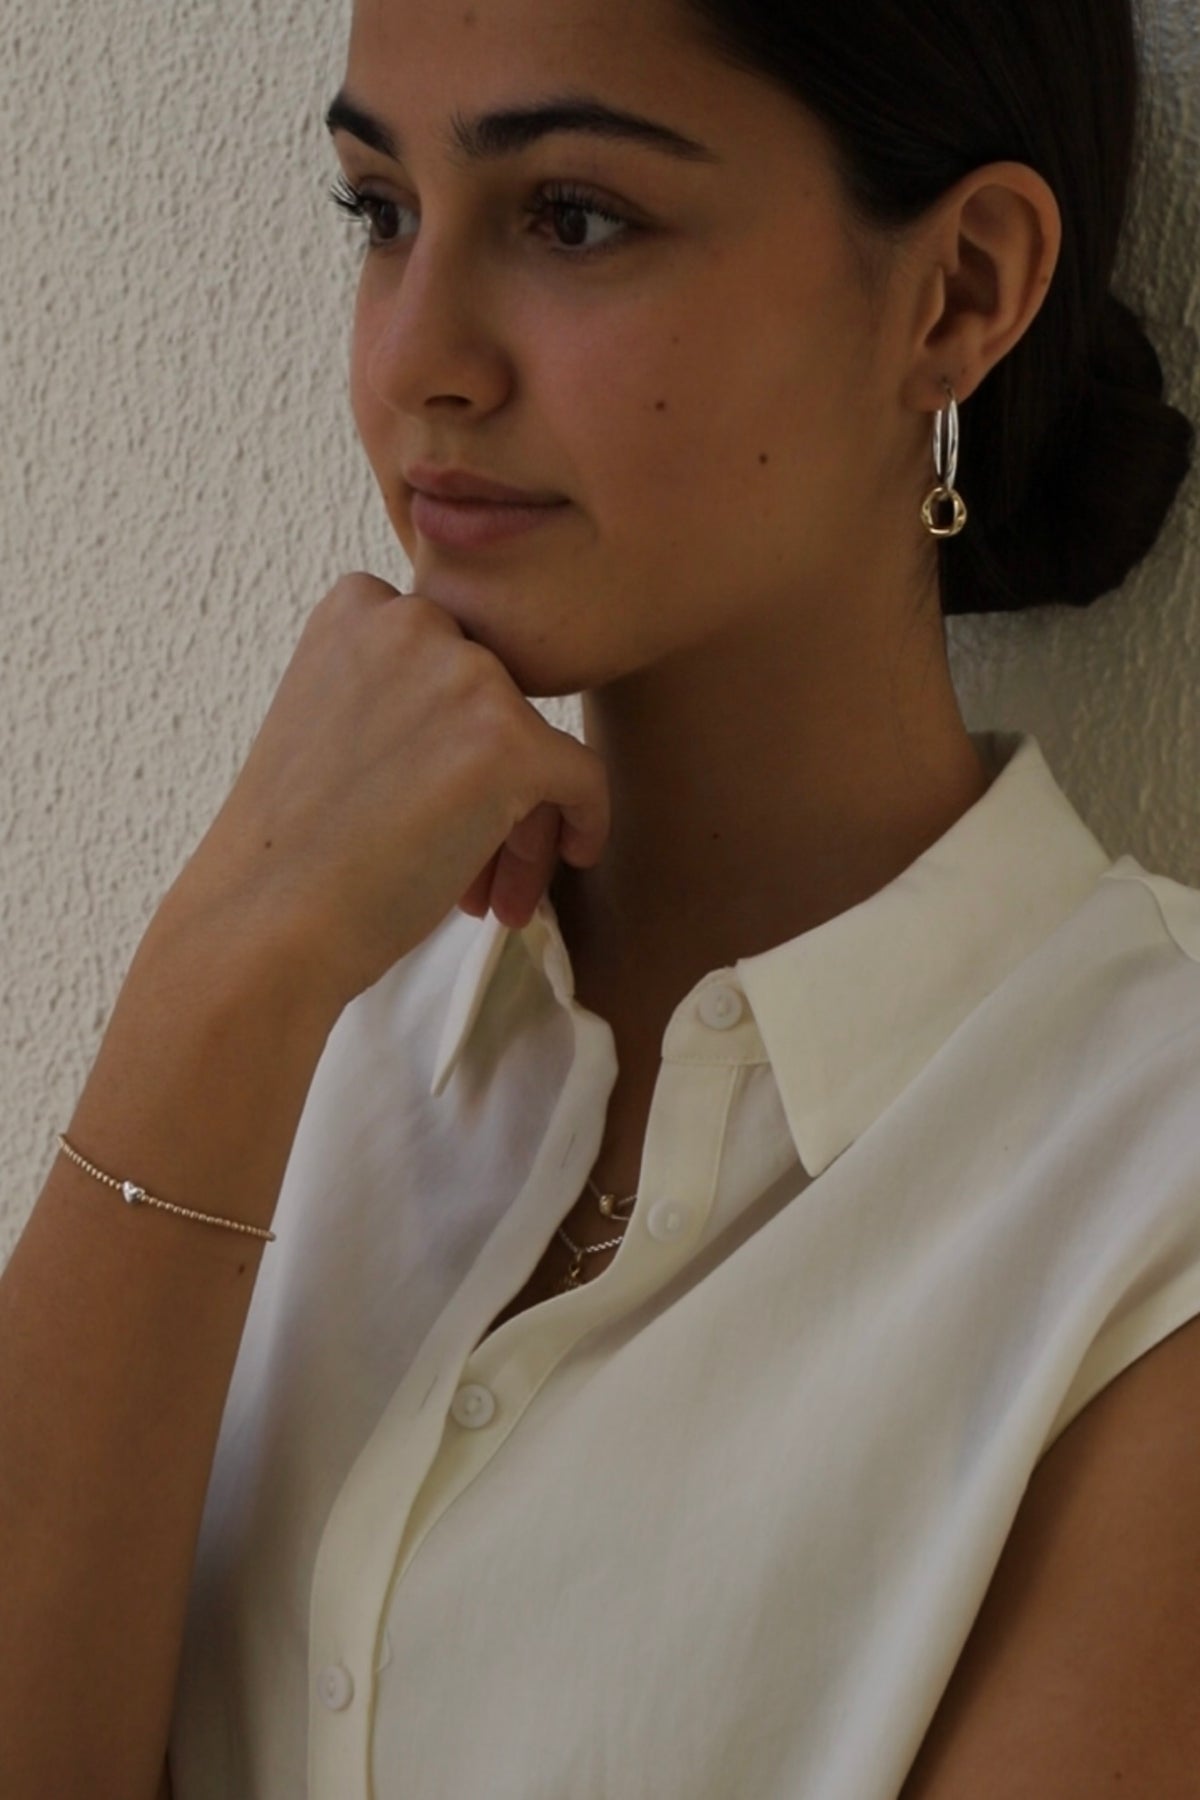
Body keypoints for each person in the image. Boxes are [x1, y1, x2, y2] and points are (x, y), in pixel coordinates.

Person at [0, 0, 1196, 1795]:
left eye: (572, 216)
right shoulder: (311, 1032)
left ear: (958, 292)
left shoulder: (1151, 1178)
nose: (418, 360)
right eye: (379, 210)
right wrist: (221, 980)